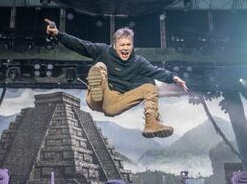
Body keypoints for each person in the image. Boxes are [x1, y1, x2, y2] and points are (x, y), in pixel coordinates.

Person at [45, 18, 188, 138]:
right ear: (114, 45)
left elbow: (155, 71)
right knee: (100, 66)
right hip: (97, 97)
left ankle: (151, 123)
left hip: (115, 102)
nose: (125, 48)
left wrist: (174, 78)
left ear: (132, 45)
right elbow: (80, 45)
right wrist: (58, 34)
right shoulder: (103, 51)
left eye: (128, 45)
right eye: (122, 45)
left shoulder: (138, 62)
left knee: (150, 88)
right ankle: (97, 88)